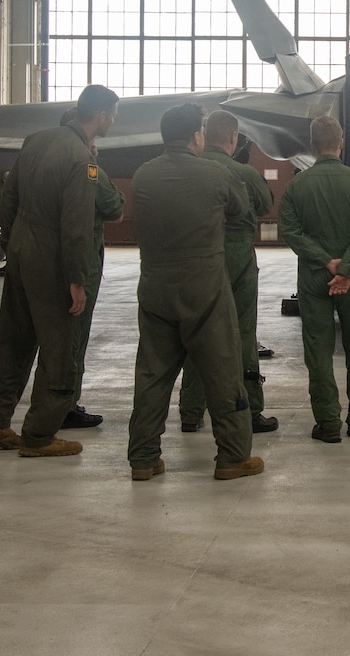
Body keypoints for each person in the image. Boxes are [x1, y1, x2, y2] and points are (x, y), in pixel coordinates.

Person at [0, 85, 117, 458]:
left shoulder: (36, 141)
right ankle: (39, 434)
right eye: (112, 115)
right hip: (54, 261)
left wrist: (12, 244)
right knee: (61, 349)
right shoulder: (82, 160)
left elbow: (10, 198)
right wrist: (77, 279)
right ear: (101, 115)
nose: (113, 122)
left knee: (13, 341)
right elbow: (75, 225)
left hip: (21, 252)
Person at [125, 104, 263, 482]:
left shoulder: (143, 175)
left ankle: (143, 457)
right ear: (196, 136)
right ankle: (233, 456)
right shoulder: (216, 174)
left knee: (152, 374)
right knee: (222, 371)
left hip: (154, 286)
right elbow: (240, 212)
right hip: (205, 288)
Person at [277, 115, 350, 443]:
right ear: (341, 142)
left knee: (318, 351)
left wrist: (326, 261)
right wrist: (346, 268)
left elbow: (290, 232)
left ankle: (327, 423)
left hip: (312, 278)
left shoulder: (297, 186)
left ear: (311, 145)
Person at [177, 109, 277, 435]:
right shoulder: (243, 172)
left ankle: (191, 412)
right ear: (234, 138)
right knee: (242, 334)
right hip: (237, 259)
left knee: (197, 332)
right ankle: (251, 409)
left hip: (196, 258)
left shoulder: (188, 168)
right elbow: (265, 203)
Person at [61, 106, 125, 429]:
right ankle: (65, 405)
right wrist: (94, 162)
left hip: (47, 260)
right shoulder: (88, 167)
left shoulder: (44, 161)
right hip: (81, 264)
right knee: (75, 334)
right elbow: (114, 207)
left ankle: (52, 402)